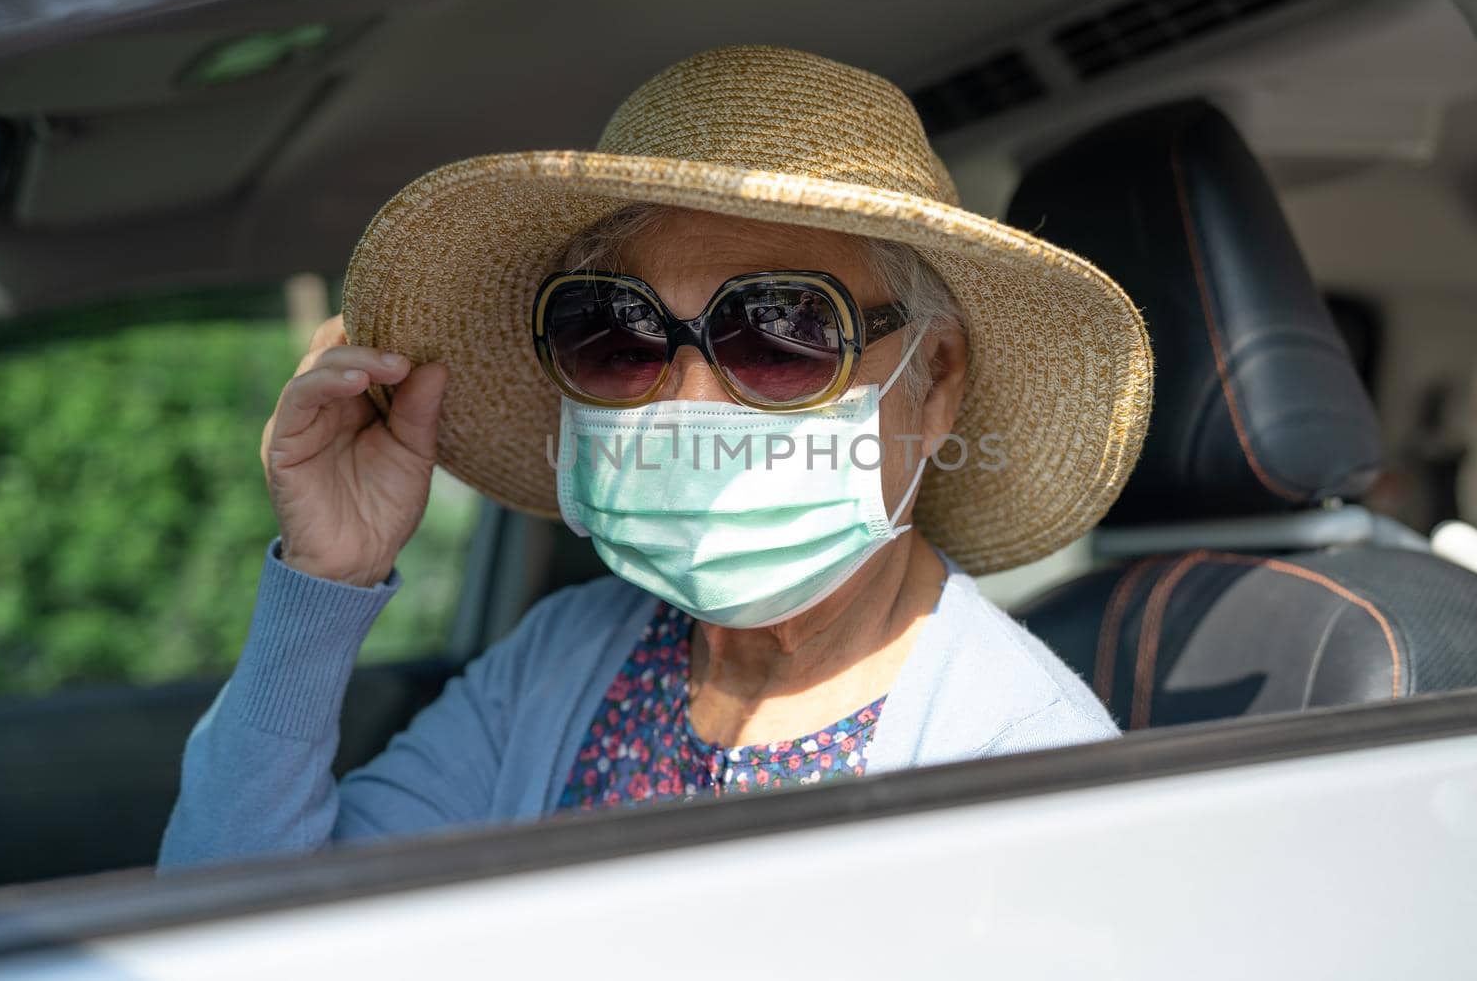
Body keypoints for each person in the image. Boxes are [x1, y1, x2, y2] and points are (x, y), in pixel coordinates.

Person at [159, 45, 1152, 869]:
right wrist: (328, 584)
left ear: (934, 379)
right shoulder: (566, 656)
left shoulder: (1019, 756)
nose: (686, 399)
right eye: (616, 334)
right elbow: (245, 923)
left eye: (782, 333)